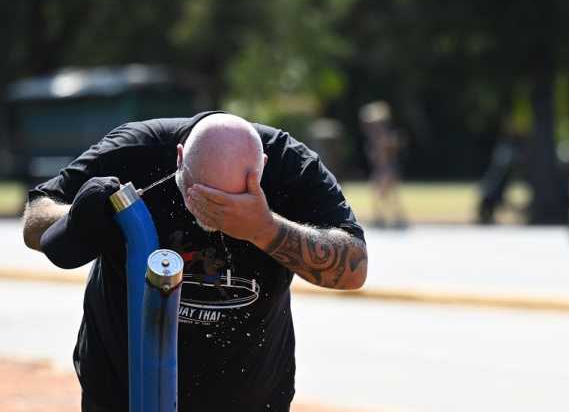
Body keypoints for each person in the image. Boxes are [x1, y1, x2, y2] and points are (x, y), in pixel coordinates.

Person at [21, 111, 368, 411]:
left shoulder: (291, 166)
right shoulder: (135, 150)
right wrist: (79, 216)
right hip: (122, 391)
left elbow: (355, 267)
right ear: (179, 158)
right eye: (196, 194)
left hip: (248, 397)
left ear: (262, 169)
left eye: (228, 203)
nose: (210, 213)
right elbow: (35, 217)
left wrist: (264, 229)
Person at [359, 101, 408, 228]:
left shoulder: (381, 135)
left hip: (384, 170)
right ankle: (391, 217)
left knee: (384, 195)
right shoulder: (380, 135)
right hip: (384, 169)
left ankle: (389, 218)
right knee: (386, 195)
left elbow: (382, 154)